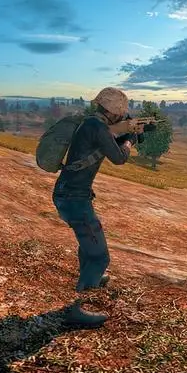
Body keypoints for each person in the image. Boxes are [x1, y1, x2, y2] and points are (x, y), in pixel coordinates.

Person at [52, 87, 137, 327]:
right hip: (74, 199)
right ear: (115, 111)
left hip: (68, 195)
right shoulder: (98, 128)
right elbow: (119, 158)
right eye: (121, 113)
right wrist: (130, 140)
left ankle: (90, 278)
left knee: (87, 244)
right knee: (100, 256)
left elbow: (104, 145)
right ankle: (78, 309)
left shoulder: (90, 124)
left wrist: (126, 135)